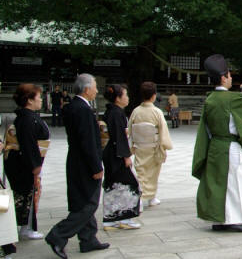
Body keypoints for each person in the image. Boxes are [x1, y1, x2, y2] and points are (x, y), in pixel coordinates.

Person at [192, 55, 242, 232]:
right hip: (229, 147)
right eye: (229, 75)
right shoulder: (231, 98)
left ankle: (219, 219)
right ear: (223, 77)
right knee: (236, 184)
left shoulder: (210, 99)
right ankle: (232, 220)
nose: (231, 78)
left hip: (215, 147)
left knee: (218, 185)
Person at [46, 74, 109, 259]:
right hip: (85, 162)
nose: (97, 90)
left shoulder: (74, 107)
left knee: (83, 200)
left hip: (76, 159)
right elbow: (87, 141)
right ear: (87, 89)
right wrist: (96, 166)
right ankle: (58, 235)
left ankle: (88, 238)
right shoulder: (82, 109)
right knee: (88, 203)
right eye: (95, 86)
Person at [4, 84, 49, 240]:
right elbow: (28, 144)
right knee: (26, 194)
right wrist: (35, 164)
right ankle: (25, 227)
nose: (41, 100)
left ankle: (27, 226)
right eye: (39, 97)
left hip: (29, 159)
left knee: (31, 194)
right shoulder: (26, 118)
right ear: (29, 100)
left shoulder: (28, 116)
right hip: (24, 163)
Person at [101, 84, 141, 230]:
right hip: (116, 154)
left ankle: (110, 219)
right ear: (118, 98)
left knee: (113, 185)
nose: (127, 98)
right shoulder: (117, 114)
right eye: (125, 95)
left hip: (111, 152)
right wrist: (125, 156)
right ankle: (125, 218)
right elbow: (119, 137)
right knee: (129, 184)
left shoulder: (112, 112)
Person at [128, 82, 173, 208]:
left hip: (140, 147)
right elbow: (163, 130)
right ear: (154, 96)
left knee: (141, 173)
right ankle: (150, 197)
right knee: (153, 173)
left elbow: (130, 129)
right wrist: (164, 145)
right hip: (153, 147)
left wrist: (131, 145)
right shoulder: (157, 112)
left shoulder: (136, 111)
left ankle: (143, 198)